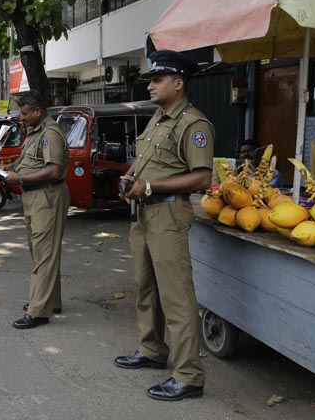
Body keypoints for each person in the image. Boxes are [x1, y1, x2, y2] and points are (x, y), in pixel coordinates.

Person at [114, 50, 214, 401]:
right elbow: (147, 163)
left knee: (176, 296)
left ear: (179, 83)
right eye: (152, 80)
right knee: (146, 287)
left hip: (169, 215)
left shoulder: (193, 123)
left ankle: (189, 375)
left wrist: (151, 186)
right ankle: (152, 350)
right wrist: (130, 178)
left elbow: (202, 177)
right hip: (143, 213)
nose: (151, 85)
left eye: (158, 79)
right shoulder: (159, 118)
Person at [2, 90, 70, 330]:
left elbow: (52, 170)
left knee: (44, 254)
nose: (22, 117)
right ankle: (52, 301)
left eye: (25, 113)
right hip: (34, 197)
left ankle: (39, 310)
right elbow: (31, 162)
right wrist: (11, 166)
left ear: (38, 111)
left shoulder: (50, 134)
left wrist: (18, 176)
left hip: (47, 195)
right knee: (42, 252)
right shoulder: (34, 133)